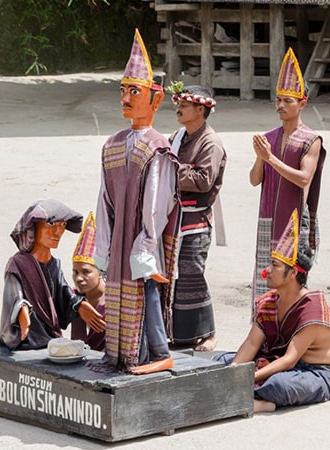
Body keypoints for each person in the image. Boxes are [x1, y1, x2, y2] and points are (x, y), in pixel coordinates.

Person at [93, 29, 181, 375]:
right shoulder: (112, 145)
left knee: (144, 288)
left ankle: (156, 353)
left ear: (155, 101)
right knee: (118, 290)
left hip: (140, 239)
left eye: (134, 91)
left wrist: (145, 243)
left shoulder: (157, 147)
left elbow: (157, 203)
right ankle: (119, 355)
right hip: (118, 238)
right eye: (123, 91)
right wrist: (106, 243)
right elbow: (104, 199)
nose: (126, 99)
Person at [218, 209, 330, 413]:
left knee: (277, 385)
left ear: (293, 272)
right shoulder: (269, 301)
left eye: (274, 265)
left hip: (316, 372)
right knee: (222, 362)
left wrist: (246, 378)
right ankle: (244, 392)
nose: (267, 270)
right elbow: (251, 343)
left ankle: (264, 402)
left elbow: (290, 359)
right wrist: (234, 372)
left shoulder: (312, 306)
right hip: (281, 361)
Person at [249, 47, 326, 301]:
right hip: (267, 216)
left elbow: (304, 178)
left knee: (290, 283)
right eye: (278, 100)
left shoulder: (310, 139)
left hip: (293, 220)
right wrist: (262, 159)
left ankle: (290, 334)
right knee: (265, 281)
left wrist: (270, 158)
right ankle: (262, 336)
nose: (281, 106)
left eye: (287, 101)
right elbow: (254, 180)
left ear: (302, 104)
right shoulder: (270, 136)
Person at [166, 83, 227, 352]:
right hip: (174, 219)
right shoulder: (177, 137)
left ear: (200, 109)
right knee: (173, 277)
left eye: (185, 105)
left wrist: (171, 171)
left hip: (196, 221)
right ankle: (181, 334)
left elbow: (203, 181)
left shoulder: (210, 142)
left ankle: (208, 333)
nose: (178, 108)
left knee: (193, 275)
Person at [0, 200, 105, 350]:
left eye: (62, 225)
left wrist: (79, 305)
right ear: (33, 228)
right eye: (51, 225)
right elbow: (14, 295)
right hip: (27, 338)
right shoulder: (18, 264)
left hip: (50, 338)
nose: (58, 232)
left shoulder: (54, 264)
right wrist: (22, 311)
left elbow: (64, 294)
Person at [69, 212, 107, 351]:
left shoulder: (114, 300)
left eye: (86, 272)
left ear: (100, 272)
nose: (78, 278)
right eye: (75, 272)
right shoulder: (73, 298)